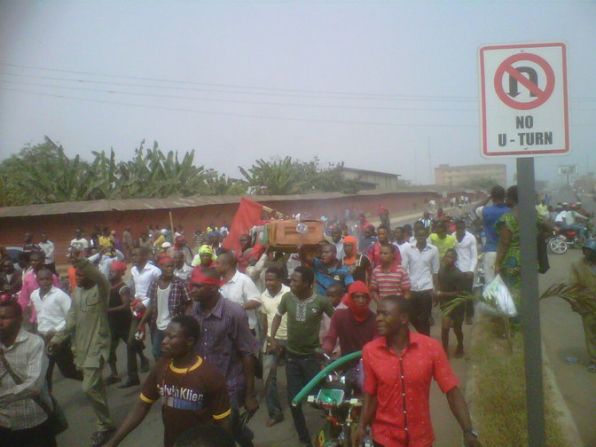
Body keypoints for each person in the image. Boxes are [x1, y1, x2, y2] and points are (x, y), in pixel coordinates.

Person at [354, 295, 482, 447]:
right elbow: (371, 393)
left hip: (421, 438)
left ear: (403, 318)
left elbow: (452, 391)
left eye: (385, 314)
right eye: (378, 313)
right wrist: (362, 426)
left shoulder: (431, 348)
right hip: (384, 439)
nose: (378, 318)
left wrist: (468, 432)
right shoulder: (370, 351)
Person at [104, 316, 232, 447]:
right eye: (165, 336)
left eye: (171, 337)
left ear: (189, 341)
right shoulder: (161, 367)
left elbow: (223, 422)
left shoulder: (210, 376)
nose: (164, 341)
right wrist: (113, 442)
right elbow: (142, 405)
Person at [49, 251, 115, 446]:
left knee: (88, 388)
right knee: (97, 388)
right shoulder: (76, 293)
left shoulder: (101, 289)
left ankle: (104, 425)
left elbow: (100, 277)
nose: (77, 278)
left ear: (89, 274)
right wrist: (57, 339)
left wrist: (83, 263)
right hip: (81, 348)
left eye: (81, 274)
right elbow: (71, 319)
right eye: (75, 274)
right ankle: (107, 422)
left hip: (98, 345)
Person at [190, 268, 259, 447]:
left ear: (213, 289)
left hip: (229, 387)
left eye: (198, 286)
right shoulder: (193, 312)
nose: (192, 289)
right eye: (192, 285)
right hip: (202, 386)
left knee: (221, 436)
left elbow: (247, 354)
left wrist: (250, 395)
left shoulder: (234, 313)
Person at [270, 266, 335, 446]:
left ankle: (333, 431)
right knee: (295, 401)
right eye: (291, 280)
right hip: (292, 358)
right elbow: (277, 317)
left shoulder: (321, 302)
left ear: (307, 283)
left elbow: (336, 322)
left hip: (312, 359)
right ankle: (304, 438)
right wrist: (272, 338)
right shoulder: (287, 298)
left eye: (295, 281)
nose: (291, 283)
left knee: (322, 399)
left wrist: (332, 346)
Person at [0, 297, 56, 447]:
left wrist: (2, 398)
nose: (0, 322)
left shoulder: (34, 343)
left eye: (5, 318)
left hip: (33, 420)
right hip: (5, 424)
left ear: (19, 319)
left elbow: (34, 386)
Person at [30, 268, 83, 391]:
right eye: (41, 279)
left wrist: (56, 331)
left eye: (47, 279)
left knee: (68, 371)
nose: (44, 282)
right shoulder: (34, 295)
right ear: (37, 280)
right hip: (43, 339)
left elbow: (72, 317)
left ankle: (91, 382)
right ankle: (48, 400)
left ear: (52, 279)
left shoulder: (60, 295)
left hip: (59, 339)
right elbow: (39, 315)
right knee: (45, 372)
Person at [125, 246, 162, 387]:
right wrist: (132, 300)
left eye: (136, 255)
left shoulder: (154, 271)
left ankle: (160, 377)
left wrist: (145, 303)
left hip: (152, 309)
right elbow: (135, 288)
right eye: (132, 255)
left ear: (145, 256)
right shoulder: (133, 270)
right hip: (137, 308)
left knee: (155, 344)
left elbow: (159, 290)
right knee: (130, 342)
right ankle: (132, 376)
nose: (134, 258)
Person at [142, 256, 191, 359]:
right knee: (156, 352)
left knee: (173, 353)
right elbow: (151, 304)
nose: (170, 269)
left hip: (173, 325)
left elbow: (189, 303)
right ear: (160, 267)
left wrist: (185, 322)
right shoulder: (155, 283)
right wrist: (141, 322)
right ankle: (162, 373)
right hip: (157, 325)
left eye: (172, 266)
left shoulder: (180, 283)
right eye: (167, 266)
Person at [259, 266, 290, 427]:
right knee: (268, 377)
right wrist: (268, 339)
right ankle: (275, 412)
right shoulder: (263, 296)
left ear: (280, 280)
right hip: (272, 340)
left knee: (294, 376)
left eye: (272, 279)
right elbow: (264, 320)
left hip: (291, 340)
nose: (269, 283)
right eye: (266, 280)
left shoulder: (289, 293)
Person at [401, 227, 440, 336]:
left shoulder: (433, 250)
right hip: (412, 288)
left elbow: (435, 270)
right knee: (411, 315)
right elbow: (404, 268)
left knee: (424, 318)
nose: (421, 238)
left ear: (427, 235)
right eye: (419, 235)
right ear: (415, 236)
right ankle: (423, 336)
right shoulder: (408, 249)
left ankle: (426, 340)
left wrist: (436, 290)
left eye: (423, 235)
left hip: (426, 288)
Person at [322, 280, 377, 357]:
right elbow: (331, 337)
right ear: (350, 298)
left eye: (364, 297)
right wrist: (326, 350)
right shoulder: (339, 316)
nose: (361, 300)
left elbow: (377, 343)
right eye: (357, 297)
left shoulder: (375, 319)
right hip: (346, 363)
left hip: (369, 361)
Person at [569, 239, 596, 372]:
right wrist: (575, 303)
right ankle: (594, 360)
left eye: (590, 252)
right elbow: (572, 285)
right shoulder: (577, 265)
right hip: (588, 305)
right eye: (585, 251)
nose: (587, 254)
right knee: (591, 334)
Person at [475, 186, 510, 286]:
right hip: (507, 251)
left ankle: (492, 302)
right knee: (506, 284)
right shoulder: (510, 211)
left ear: (493, 197)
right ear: (504, 196)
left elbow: (475, 209)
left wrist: (488, 197)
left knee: (490, 283)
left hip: (491, 250)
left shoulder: (485, 211)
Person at [18, 250, 61, 326]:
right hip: (35, 316)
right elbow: (24, 297)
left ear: (43, 261)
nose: (33, 262)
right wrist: (20, 311)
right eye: (31, 260)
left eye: (36, 260)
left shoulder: (51, 276)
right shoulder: (28, 277)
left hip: (51, 315)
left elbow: (58, 293)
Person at [437, 249, 467, 357]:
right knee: (444, 327)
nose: (448, 259)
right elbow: (440, 284)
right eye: (447, 256)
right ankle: (444, 351)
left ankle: (460, 346)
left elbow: (459, 293)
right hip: (446, 305)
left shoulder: (458, 274)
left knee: (457, 329)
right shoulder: (441, 271)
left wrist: (442, 294)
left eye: (451, 257)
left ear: (455, 259)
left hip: (457, 305)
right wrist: (437, 298)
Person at [495, 186, 521, 305]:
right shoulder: (532, 214)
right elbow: (550, 228)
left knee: (512, 295)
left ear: (512, 198)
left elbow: (504, 243)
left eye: (507, 197)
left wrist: (497, 264)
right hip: (530, 259)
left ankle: (516, 322)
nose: (505, 200)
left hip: (512, 261)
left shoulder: (508, 217)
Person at [454, 220, 478, 324]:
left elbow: (474, 256)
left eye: (462, 228)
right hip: (456, 270)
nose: (460, 230)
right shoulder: (452, 237)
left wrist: (471, 270)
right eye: (458, 228)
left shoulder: (471, 238)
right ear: (456, 228)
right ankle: (458, 315)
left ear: (464, 228)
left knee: (468, 294)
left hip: (467, 269)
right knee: (457, 294)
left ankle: (469, 315)